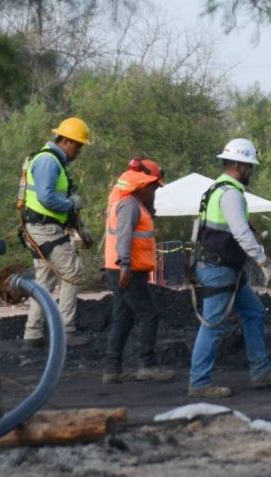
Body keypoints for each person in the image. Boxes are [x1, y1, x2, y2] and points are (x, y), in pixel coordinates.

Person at [188, 138, 271, 399]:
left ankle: (261, 371)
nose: (251, 172)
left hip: (221, 266)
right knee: (213, 325)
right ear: (238, 165)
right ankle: (199, 383)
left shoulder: (216, 190)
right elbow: (241, 233)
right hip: (219, 267)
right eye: (249, 166)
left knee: (254, 312)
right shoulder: (231, 193)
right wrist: (264, 263)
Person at [101, 157, 176, 384]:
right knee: (149, 314)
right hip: (127, 271)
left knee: (123, 318)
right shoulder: (130, 205)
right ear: (142, 185)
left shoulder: (128, 203)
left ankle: (112, 370)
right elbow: (124, 236)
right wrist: (125, 266)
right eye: (153, 187)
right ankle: (147, 365)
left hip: (122, 270)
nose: (154, 192)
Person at [20, 117, 92, 348]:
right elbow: (47, 198)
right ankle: (65, 331)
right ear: (66, 141)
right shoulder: (48, 162)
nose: (79, 151)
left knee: (44, 280)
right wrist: (72, 204)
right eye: (78, 145)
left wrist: (80, 225)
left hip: (41, 227)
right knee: (73, 272)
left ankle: (33, 334)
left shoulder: (52, 162)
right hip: (44, 228)